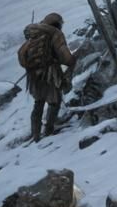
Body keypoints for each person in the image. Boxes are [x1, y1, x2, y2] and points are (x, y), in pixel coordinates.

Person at [20, 12, 76, 142]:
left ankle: (36, 135)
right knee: (54, 101)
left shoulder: (33, 35)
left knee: (38, 103)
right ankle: (49, 130)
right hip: (50, 73)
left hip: (34, 75)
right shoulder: (55, 34)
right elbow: (64, 55)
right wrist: (72, 61)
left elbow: (22, 56)